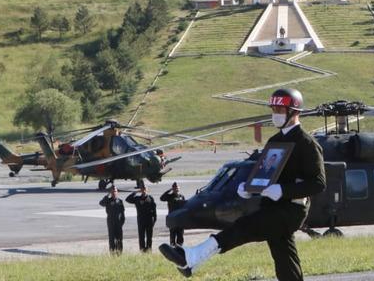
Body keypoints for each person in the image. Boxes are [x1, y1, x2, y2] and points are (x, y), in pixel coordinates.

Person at [159, 87, 326, 280]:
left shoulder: (307, 143)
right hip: (271, 206)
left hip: (291, 210)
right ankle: (191, 261)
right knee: (284, 257)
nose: (275, 115)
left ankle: (192, 257)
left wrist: (283, 190)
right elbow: (265, 172)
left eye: (279, 111)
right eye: (273, 110)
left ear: (294, 112)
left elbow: (318, 183)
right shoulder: (274, 140)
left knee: (244, 227)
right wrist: (249, 187)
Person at [126, 185, 157, 252]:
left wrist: (154, 221)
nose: (144, 190)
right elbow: (127, 199)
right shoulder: (137, 198)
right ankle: (142, 250)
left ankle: (149, 250)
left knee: (149, 237)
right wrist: (135, 192)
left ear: (147, 189)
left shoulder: (150, 198)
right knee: (141, 237)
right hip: (141, 221)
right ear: (141, 190)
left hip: (149, 221)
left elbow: (154, 211)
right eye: (142, 189)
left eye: (145, 188)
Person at [99, 185, 125, 254]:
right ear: (111, 192)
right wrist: (107, 195)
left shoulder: (120, 201)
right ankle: (112, 253)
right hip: (111, 223)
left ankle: (119, 253)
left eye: (115, 191)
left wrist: (122, 222)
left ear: (117, 192)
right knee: (112, 240)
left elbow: (122, 213)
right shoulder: (108, 201)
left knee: (119, 239)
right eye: (113, 191)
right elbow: (101, 203)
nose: (114, 192)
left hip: (119, 223)